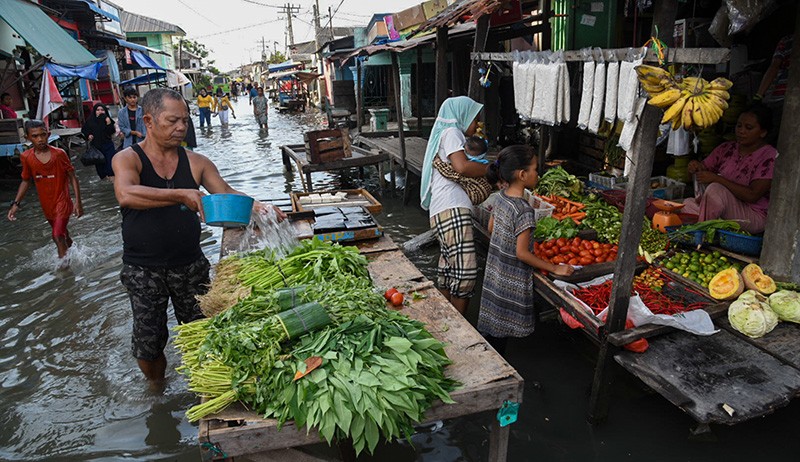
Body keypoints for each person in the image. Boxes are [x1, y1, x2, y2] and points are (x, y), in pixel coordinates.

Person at [111, 88, 286, 385]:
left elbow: (226, 193)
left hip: (189, 263)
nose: (181, 127)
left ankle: (203, 382)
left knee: (205, 329)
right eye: (172, 121)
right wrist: (180, 194)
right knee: (148, 343)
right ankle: (157, 389)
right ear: (149, 121)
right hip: (143, 267)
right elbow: (126, 194)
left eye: (185, 121)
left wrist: (260, 207)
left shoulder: (196, 162)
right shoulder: (128, 159)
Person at [478, 146, 574, 354]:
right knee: (501, 333)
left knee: (494, 326)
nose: (537, 174)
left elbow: (491, 227)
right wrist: (554, 268)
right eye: (535, 169)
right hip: (510, 277)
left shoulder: (501, 197)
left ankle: (489, 355)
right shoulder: (524, 210)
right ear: (522, 175)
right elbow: (522, 254)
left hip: (495, 272)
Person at [419, 96, 490, 315]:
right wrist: (493, 170)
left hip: (443, 210)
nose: (476, 124)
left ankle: (445, 321)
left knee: (449, 269)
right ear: (462, 116)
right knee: (466, 272)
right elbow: (461, 167)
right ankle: (460, 326)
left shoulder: (446, 134)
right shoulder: (452, 133)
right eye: (474, 118)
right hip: (453, 210)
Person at [684, 104, 777, 234]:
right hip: (723, 211)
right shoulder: (727, 148)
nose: (741, 131)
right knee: (687, 204)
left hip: (752, 215)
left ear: (763, 132)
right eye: (739, 126)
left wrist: (717, 179)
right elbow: (700, 172)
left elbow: (753, 195)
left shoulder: (769, 156)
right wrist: (695, 168)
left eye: (748, 128)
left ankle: (702, 234)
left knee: (716, 189)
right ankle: (714, 226)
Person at [7, 120, 83, 259]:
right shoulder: (26, 157)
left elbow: (73, 177)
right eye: (35, 136)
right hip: (47, 204)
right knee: (62, 234)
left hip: (63, 201)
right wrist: (16, 204)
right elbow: (25, 180)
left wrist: (78, 202)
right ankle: (75, 253)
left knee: (57, 235)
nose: (40, 139)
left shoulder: (59, 154)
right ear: (27, 138)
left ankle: (65, 270)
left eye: (43, 135)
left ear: (48, 134)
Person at [82, 103, 118, 180]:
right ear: (95, 111)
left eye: (102, 110)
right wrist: (88, 135)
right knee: (100, 169)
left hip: (108, 146)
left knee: (110, 166)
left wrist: (108, 123)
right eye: (98, 110)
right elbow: (84, 130)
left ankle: (113, 181)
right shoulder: (90, 120)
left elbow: (111, 132)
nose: (100, 112)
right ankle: (105, 181)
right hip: (97, 147)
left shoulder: (107, 119)